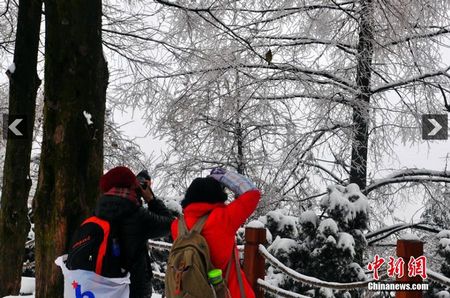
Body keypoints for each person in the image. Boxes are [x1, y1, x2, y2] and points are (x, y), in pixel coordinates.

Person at [171, 168, 261, 298]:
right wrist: (223, 176)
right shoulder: (223, 219)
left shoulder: (177, 226)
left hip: (191, 293)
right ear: (218, 195)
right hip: (228, 293)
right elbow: (252, 193)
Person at [96, 166, 174, 298]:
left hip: (107, 288)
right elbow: (169, 224)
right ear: (132, 186)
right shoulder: (136, 215)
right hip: (134, 288)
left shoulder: (98, 212)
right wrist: (151, 199)